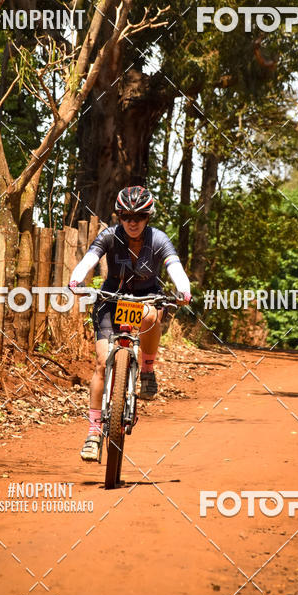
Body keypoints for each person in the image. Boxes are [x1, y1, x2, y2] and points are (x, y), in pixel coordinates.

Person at [68, 186, 191, 462]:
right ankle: (93, 431)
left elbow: (174, 267)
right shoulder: (109, 236)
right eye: (125, 216)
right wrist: (76, 279)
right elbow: (90, 258)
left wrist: (184, 289)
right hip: (112, 300)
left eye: (139, 216)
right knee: (101, 364)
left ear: (148, 217)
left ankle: (146, 370)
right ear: (119, 216)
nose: (132, 222)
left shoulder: (158, 239)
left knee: (150, 315)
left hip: (146, 298)